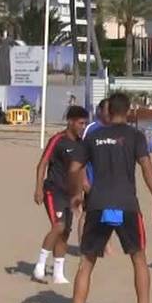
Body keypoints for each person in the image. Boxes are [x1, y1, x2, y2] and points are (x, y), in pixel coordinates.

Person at [68, 92, 152, 303]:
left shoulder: (94, 136)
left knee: (86, 264)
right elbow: (147, 167)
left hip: (99, 204)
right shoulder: (135, 136)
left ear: (108, 112)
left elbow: (73, 168)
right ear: (129, 111)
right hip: (127, 206)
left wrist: (77, 192)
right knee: (139, 259)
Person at [32, 106, 89, 283]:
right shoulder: (57, 140)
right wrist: (38, 188)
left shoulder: (81, 144)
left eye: (85, 123)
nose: (82, 126)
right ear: (71, 121)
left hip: (70, 194)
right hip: (53, 190)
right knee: (58, 227)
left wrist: (85, 192)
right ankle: (39, 266)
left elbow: (81, 172)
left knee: (65, 233)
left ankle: (58, 273)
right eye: (80, 123)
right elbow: (42, 164)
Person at [77, 99, 113, 254]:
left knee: (109, 213)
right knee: (87, 213)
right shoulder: (91, 129)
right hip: (92, 180)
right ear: (99, 111)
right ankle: (82, 245)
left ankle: (105, 245)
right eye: (106, 109)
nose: (109, 113)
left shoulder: (114, 129)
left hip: (109, 181)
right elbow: (80, 156)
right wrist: (83, 180)